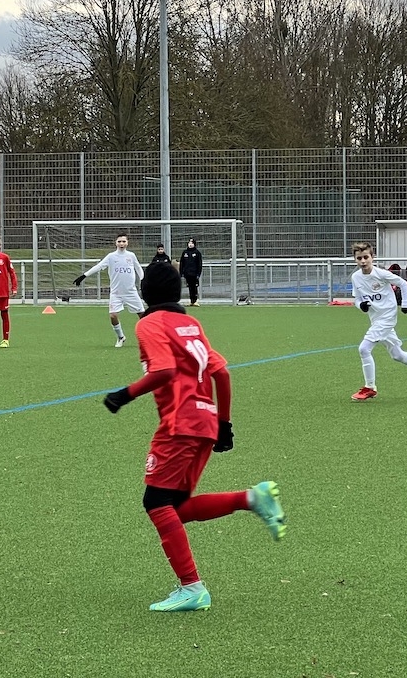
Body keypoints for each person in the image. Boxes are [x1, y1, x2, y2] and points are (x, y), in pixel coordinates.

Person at [102, 262, 287, 613]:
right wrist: (224, 424)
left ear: (145, 292)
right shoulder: (191, 324)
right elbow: (222, 373)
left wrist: (124, 395)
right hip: (204, 422)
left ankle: (192, 587)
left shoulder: (149, 323)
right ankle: (252, 499)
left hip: (180, 423)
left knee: (156, 503)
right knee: (176, 507)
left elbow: (164, 370)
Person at [349, 241, 407, 402]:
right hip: (375, 319)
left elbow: (403, 283)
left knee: (364, 349)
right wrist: (360, 305)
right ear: (355, 259)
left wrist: (405, 304)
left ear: (372, 257)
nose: (363, 261)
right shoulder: (356, 277)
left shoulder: (381, 274)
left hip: (387, 318)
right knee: (397, 355)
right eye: (359, 258)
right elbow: (357, 298)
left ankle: (370, 387)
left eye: (366, 257)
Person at [73, 232, 145, 348]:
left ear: (127, 243)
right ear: (115, 243)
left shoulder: (131, 256)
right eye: (119, 241)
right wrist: (84, 276)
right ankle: (121, 337)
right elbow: (99, 266)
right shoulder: (111, 256)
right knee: (113, 316)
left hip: (131, 292)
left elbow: (138, 268)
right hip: (116, 293)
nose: (121, 243)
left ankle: (148, 337)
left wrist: (143, 280)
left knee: (143, 315)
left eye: (124, 241)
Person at [179, 237, 203, 306]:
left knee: (194, 287)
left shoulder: (197, 253)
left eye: (192, 243)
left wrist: (198, 273)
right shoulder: (185, 253)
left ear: (194, 244)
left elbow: (199, 264)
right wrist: (181, 272)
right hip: (187, 273)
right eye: (189, 243)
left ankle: (195, 300)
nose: (190, 244)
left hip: (194, 273)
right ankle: (191, 301)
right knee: (190, 287)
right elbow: (182, 263)